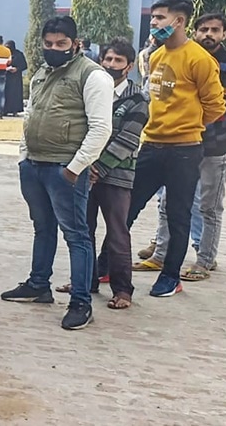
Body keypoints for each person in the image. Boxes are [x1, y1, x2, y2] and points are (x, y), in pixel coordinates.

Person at [1, 16, 112, 330]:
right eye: (48, 44)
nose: (53, 49)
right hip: (34, 164)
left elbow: (101, 128)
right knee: (43, 227)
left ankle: (80, 302)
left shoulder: (93, 76)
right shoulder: (42, 72)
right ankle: (39, 285)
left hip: (65, 169)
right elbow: (31, 113)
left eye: (61, 44)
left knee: (77, 236)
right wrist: (24, 156)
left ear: (75, 44)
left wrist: (75, 168)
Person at [137, 13, 226, 281]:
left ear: (224, 34)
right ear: (193, 31)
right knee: (169, 202)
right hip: (180, 143)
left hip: (214, 148)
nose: (209, 34)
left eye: (215, 30)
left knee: (209, 206)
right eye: (203, 29)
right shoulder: (180, 58)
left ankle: (204, 260)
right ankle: (161, 254)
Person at [126, 0, 225, 298]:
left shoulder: (199, 59)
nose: (154, 23)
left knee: (178, 214)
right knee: (126, 208)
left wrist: (186, 124)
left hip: (184, 149)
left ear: (179, 21)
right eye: (153, 18)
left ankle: (170, 276)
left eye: (159, 18)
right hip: (151, 145)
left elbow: (215, 107)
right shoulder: (156, 57)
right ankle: (108, 265)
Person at [66, 39, 147, 311]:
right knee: (82, 230)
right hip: (85, 172)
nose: (112, 65)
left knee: (117, 234)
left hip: (116, 175)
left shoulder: (138, 98)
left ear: (129, 66)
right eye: (108, 59)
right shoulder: (92, 90)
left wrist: (97, 169)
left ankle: (123, 290)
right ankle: (85, 282)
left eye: (118, 61)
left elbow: (128, 140)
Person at [3, 40, 27, 116]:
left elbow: (24, 65)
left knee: (15, 94)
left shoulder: (19, 54)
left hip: (16, 78)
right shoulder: (4, 54)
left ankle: (15, 111)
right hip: (6, 77)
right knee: (5, 94)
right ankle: (5, 110)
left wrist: (17, 69)